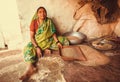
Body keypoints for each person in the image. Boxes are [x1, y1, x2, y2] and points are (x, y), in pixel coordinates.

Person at [19, 6, 69, 81]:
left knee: (64, 40)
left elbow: (53, 33)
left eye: (44, 12)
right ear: (37, 14)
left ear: (46, 13)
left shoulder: (49, 21)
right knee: (28, 49)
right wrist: (37, 47)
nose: (42, 13)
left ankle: (46, 48)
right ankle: (31, 68)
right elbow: (32, 38)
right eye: (40, 12)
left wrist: (57, 41)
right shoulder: (34, 23)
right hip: (38, 43)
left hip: (49, 41)